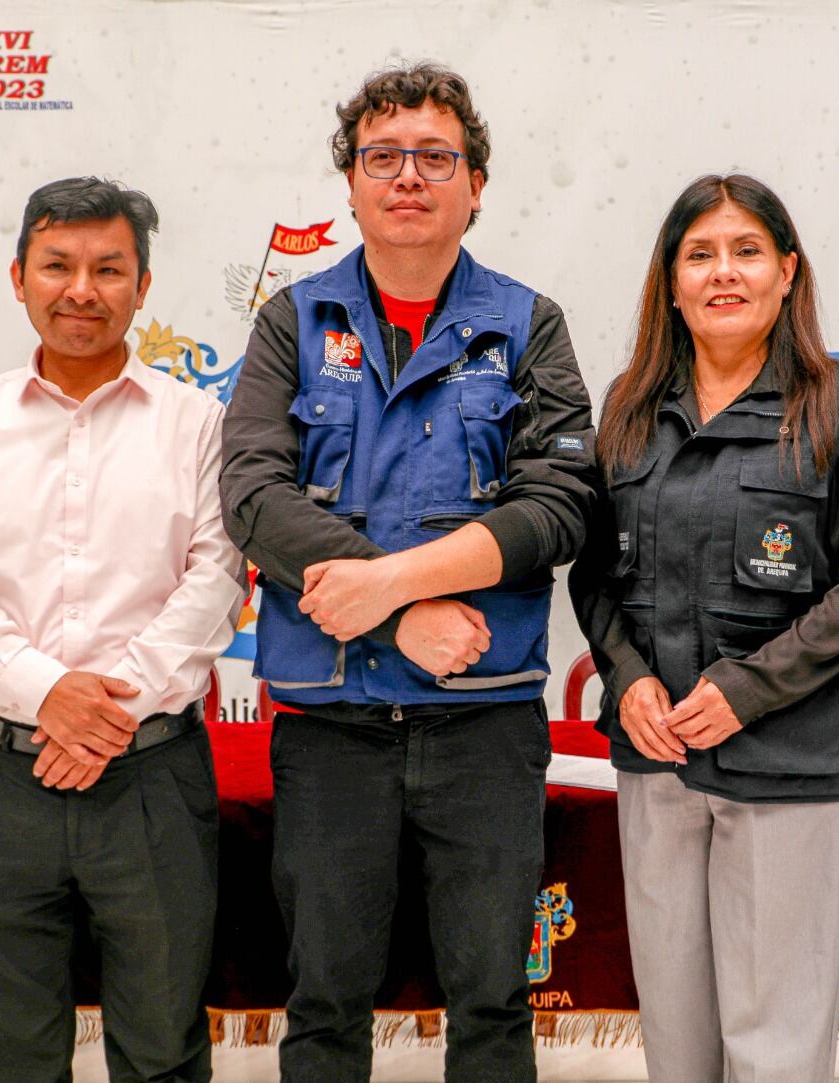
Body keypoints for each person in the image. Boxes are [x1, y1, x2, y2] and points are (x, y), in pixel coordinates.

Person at [218, 63, 596, 1083]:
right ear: (348, 183)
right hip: (331, 726)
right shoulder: (292, 323)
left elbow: (558, 508)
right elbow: (252, 497)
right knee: (327, 1002)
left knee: (491, 1001)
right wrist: (400, 617)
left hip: (483, 718)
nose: (409, 178)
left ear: (477, 184)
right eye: (383, 156)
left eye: (437, 156)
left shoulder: (529, 325)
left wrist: (388, 588)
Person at [0, 177, 246, 1083]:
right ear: (19, 277)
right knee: (10, 1054)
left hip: (153, 779)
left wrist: (107, 716)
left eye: (107, 268)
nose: (81, 289)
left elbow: (215, 582)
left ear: (142, 284)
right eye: (57, 265)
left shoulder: (199, 423)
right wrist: (46, 691)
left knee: (163, 1050)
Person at [569, 173, 839, 1083]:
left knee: (776, 1045)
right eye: (701, 254)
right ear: (670, 281)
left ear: (787, 272)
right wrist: (627, 675)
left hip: (783, 762)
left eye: (748, 251)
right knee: (677, 1042)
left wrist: (747, 689)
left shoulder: (835, 402)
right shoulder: (629, 408)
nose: (725, 273)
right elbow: (596, 571)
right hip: (658, 761)